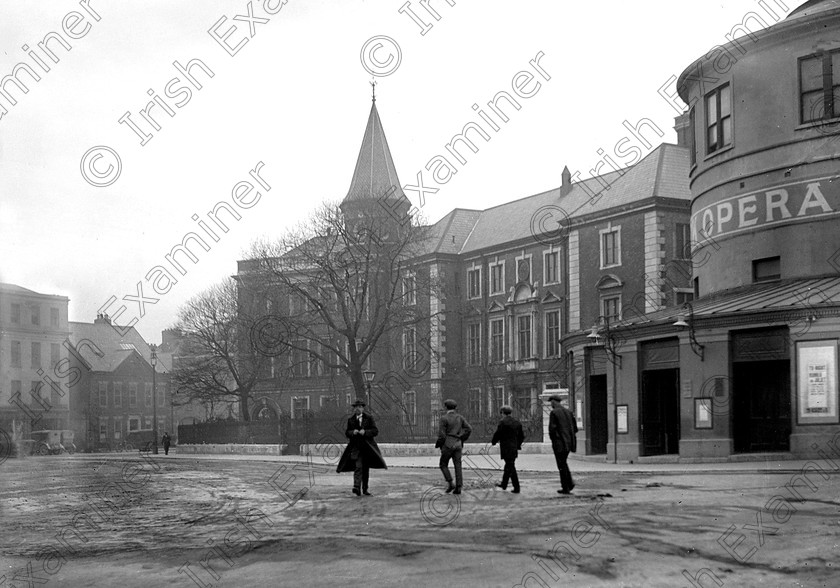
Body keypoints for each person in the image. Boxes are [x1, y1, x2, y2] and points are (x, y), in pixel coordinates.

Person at [336, 400, 387, 496]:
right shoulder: (350, 420)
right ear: (354, 409)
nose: (357, 409)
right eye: (356, 407)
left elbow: (375, 431)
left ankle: (365, 489)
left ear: (363, 408)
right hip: (356, 448)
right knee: (358, 467)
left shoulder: (369, 418)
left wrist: (366, 432)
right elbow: (347, 432)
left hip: (368, 448)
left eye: (359, 407)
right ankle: (356, 487)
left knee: (365, 469)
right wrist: (352, 432)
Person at [435, 399, 472, 494]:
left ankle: (450, 482)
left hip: (448, 444)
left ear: (446, 407)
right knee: (458, 465)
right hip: (458, 443)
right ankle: (459, 487)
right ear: (455, 408)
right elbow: (469, 429)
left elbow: (442, 435)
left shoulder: (444, 418)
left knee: (443, 464)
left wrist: (439, 444)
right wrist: (462, 438)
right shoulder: (460, 417)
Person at [548, 394, 578, 494]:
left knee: (561, 465)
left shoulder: (554, 412)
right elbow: (575, 428)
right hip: (569, 443)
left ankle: (566, 487)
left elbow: (552, 429)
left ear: (554, 402)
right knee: (563, 463)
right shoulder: (569, 412)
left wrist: (554, 440)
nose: (551, 404)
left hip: (559, 443)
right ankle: (569, 483)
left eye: (551, 402)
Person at [491, 405, 525, 493]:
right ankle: (504, 484)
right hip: (513, 447)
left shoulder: (502, 422)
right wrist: (518, 444)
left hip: (506, 447)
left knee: (510, 466)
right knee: (509, 465)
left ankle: (516, 487)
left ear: (502, 413)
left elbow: (498, 433)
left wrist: (494, 441)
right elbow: (521, 436)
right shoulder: (517, 422)